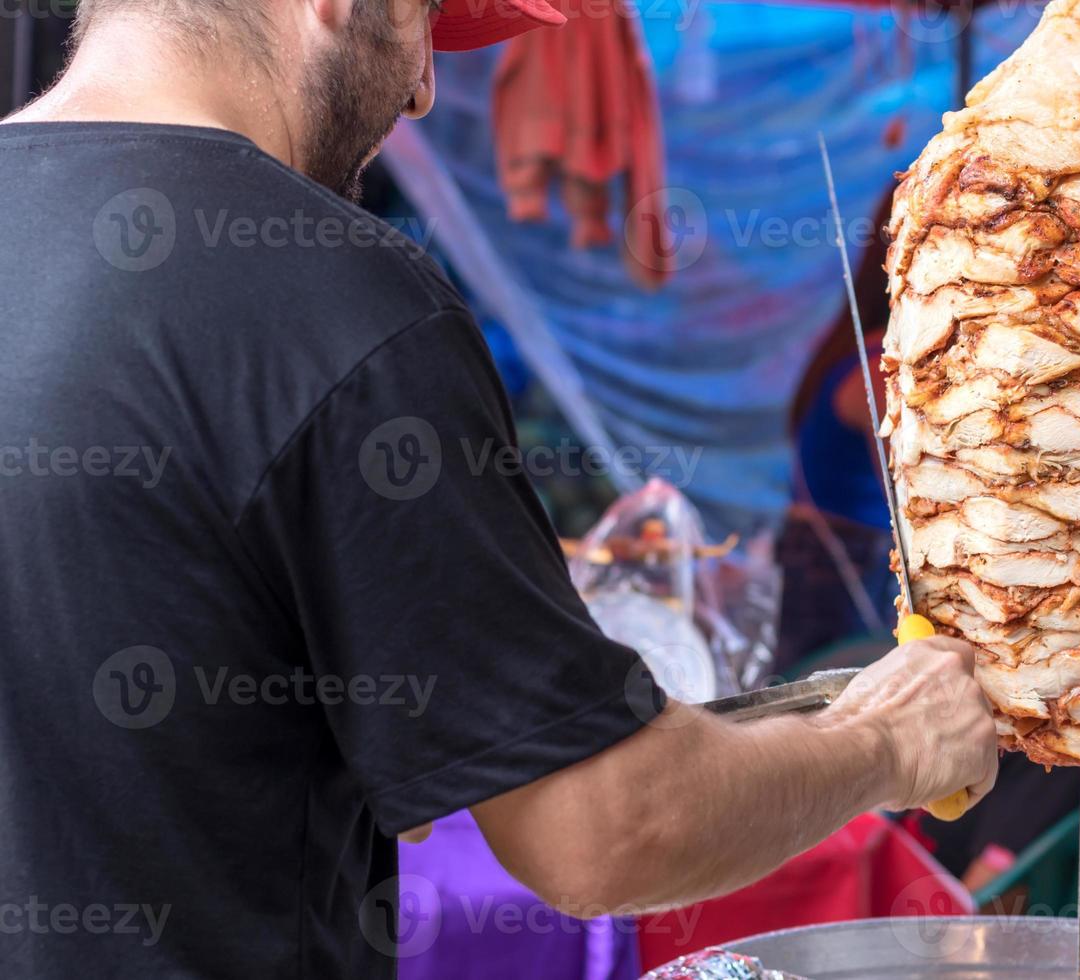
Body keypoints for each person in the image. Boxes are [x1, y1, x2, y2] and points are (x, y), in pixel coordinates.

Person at [0, 2, 998, 977]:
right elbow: (608, 828)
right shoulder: (336, 302)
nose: (427, 88)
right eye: (423, 19)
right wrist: (886, 740)